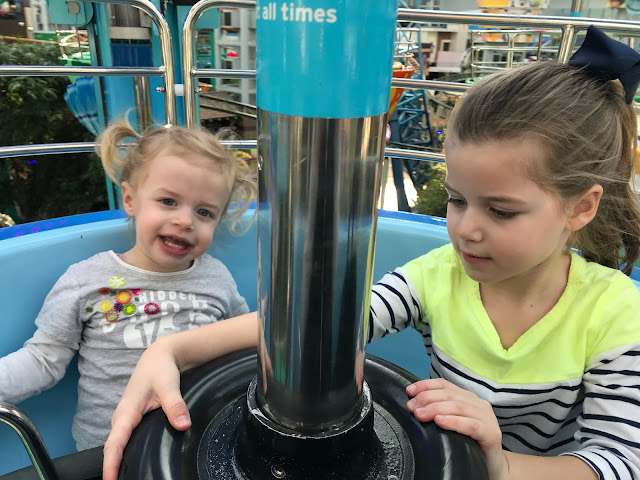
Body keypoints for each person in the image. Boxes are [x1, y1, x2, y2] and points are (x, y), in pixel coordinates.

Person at [103, 26, 640, 480]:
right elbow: (322, 327)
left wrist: (499, 463)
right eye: (457, 200)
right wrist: (171, 351)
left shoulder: (616, 314)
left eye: (500, 211)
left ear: (580, 207)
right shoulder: (438, 276)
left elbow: (619, 461)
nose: (465, 231)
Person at [0, 120, 257, 451]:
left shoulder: (217, 278)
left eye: (204, 212)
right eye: (168, 201)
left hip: (195, 443)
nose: (185, 221)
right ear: (131, 199)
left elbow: (243, 346)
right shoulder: (86, 279)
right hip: (107, 450)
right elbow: (42, 360)